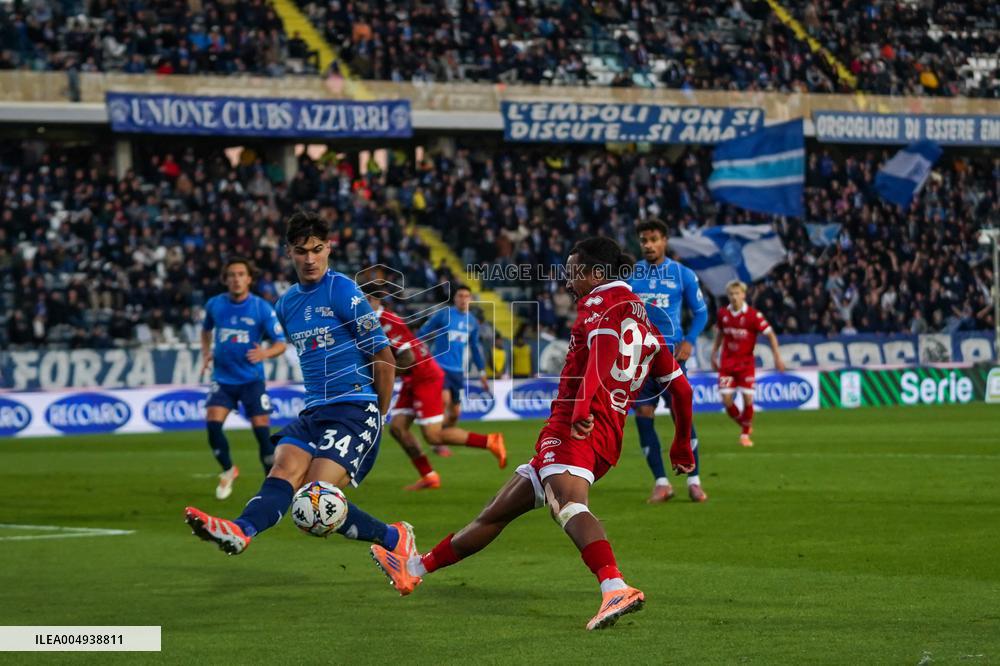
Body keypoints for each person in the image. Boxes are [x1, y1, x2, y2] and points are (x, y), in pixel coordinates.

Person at [370, 237, 695, 631]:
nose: (568, 282)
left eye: (573, 273)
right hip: (604, 433)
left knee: (568, 505)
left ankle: (615, 586)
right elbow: (681, 389)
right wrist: (681, 445)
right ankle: (413, 568)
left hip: (578, 427)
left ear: (596, 274)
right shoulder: (643, 319)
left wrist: (581, 407)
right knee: (495, 514)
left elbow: (605, 349)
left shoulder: (600, 302)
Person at [184, 212, 418, 569]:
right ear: (288, 252)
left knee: (314, 499)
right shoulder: (286, 304)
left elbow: (383, 357)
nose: (310, 259)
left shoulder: (342, 290)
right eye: (301, 251)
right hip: (314, 411)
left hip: (355, 408)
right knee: (281, 473)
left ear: (329, 249)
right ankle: (240, 530)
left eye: (317, 249)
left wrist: (379, 414)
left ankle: (394, 538)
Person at [363, 283, 507, 490]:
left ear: (376, 300)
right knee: (398, 428)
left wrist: (381, 376)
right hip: (419, 373)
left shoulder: (386, 321)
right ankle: (429, 476)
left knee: (433, 435)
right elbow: (419, 336)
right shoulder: (442, 314)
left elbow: (408, 357)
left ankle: (489, 441)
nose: (361, 304)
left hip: (426, 376)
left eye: (366, 299)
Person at [629, 219, 709, 503]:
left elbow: (701, 313)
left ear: (664, 240)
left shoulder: (682, 274)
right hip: (640, 357)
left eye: (653, 239)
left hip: (672, 355)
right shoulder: (631, 275)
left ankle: (694, 480)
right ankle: (662, 483)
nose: (648, 245)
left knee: (680, 415)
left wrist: (689, 340)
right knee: (643, 415)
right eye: (644, 240)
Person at [199, 257, 287, 500]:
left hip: (251, 381)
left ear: (249, 279)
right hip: (223, 379)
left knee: (262, 434)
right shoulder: (215, 304)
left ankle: (272, 487)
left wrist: (265, 353)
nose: (236, 279)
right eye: (231, 275)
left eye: (240, 274)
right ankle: (228, 470)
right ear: (225, 279)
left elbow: (281, 343)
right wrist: (206, 353)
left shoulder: (261, 308)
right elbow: (205, 331)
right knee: (212, 424)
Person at [416, 285, 490, 457]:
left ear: (470, 299)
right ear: (455, 298)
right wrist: (417, 353)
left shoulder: (472, 322)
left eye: (466, 296)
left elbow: (474, 348)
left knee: (455, 413)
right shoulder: (444, 315)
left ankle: (442, 437)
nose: (463, 299)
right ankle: (437, 442)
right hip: (439, 367)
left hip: (457, 371)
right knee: (444, 401)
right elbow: (422, 333)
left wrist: (482, 372)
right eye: (460, 296)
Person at [711, 280, 785, 447]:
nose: (734, 297)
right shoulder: (723, 314)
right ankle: (744, 424)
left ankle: (744, 435)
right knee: (726, 400)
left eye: (737, 293)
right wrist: (714, 353)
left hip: (745, 364)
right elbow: (720, 333)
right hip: (727, 364)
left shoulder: (753, 316)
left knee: (748, 399)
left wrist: (777, 357)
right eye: (731, 294)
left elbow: (771, 334)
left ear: (743, 295)